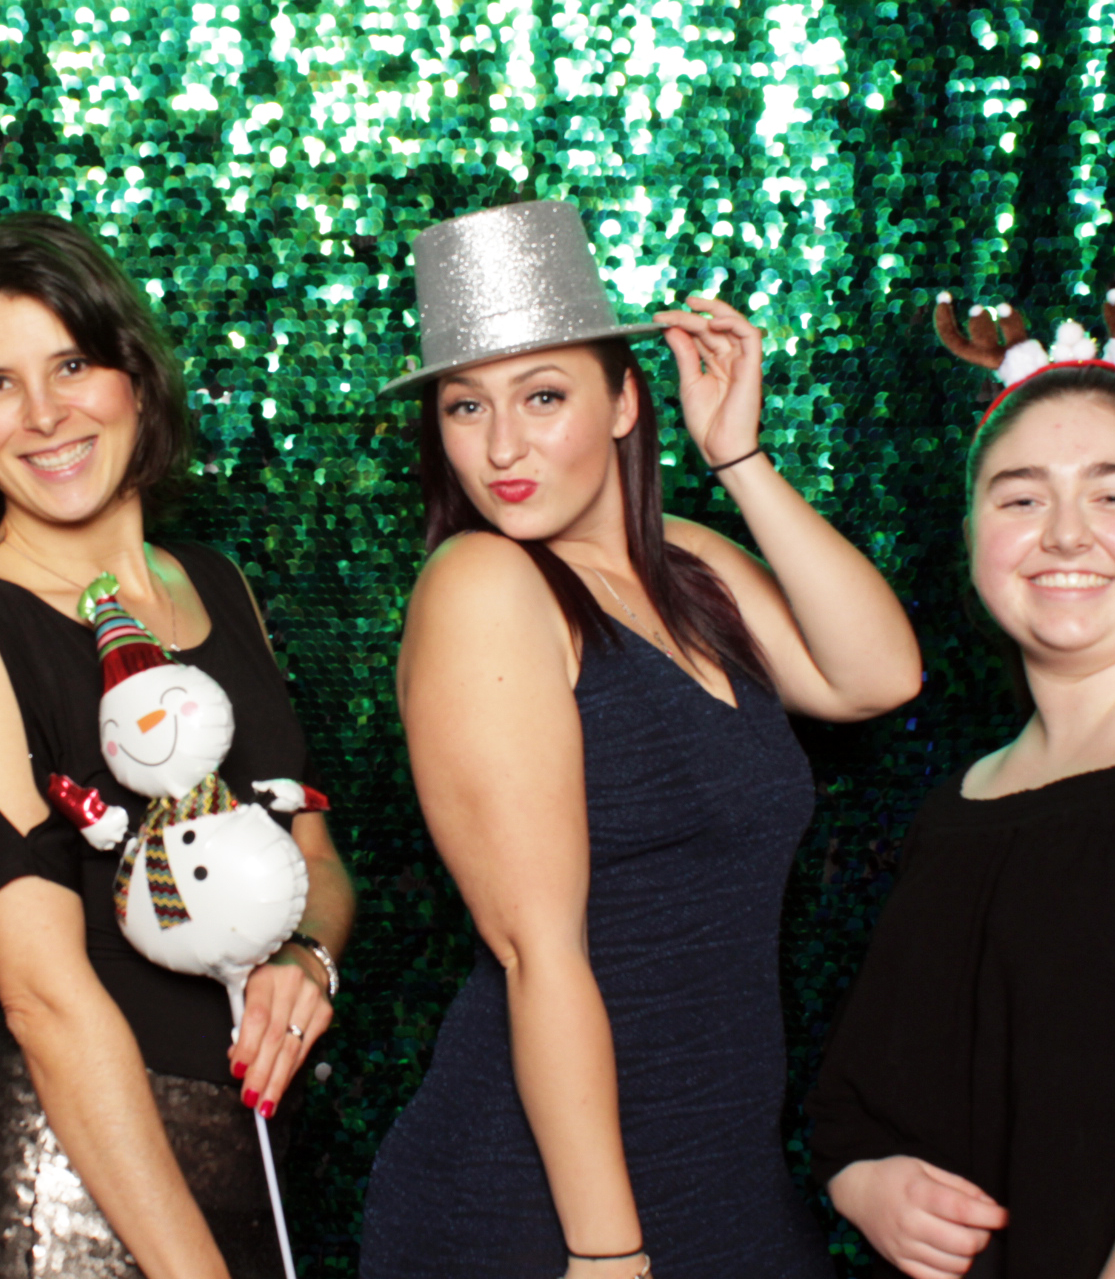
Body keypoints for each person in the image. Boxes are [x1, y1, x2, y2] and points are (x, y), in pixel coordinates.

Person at [357, 201, 923, 1279]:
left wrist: (741, 458)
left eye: (544, 395)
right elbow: (538, 949)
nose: (503, 445)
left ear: (625, 400)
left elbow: (877, 674)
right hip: (546, 1198)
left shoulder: (693, 564)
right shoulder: (483, 583)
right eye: (465, 405)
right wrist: (608, 1252)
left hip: (723, 1164)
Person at [0, 212, 356, 1279]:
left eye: (71, 362)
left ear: (137, 379)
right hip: (77, 1182)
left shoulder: (216, 582)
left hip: (253, 1151)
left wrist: (311, 957)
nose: (44, 414)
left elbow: (318, 858)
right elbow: (40, 992)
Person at [809, 251, 1115, 1279]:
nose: (1063, 535)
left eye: (1114, 496)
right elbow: (860, 1096)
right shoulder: (968, 802)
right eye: (1018, 500)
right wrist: (868, 1182)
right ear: (971, 536)